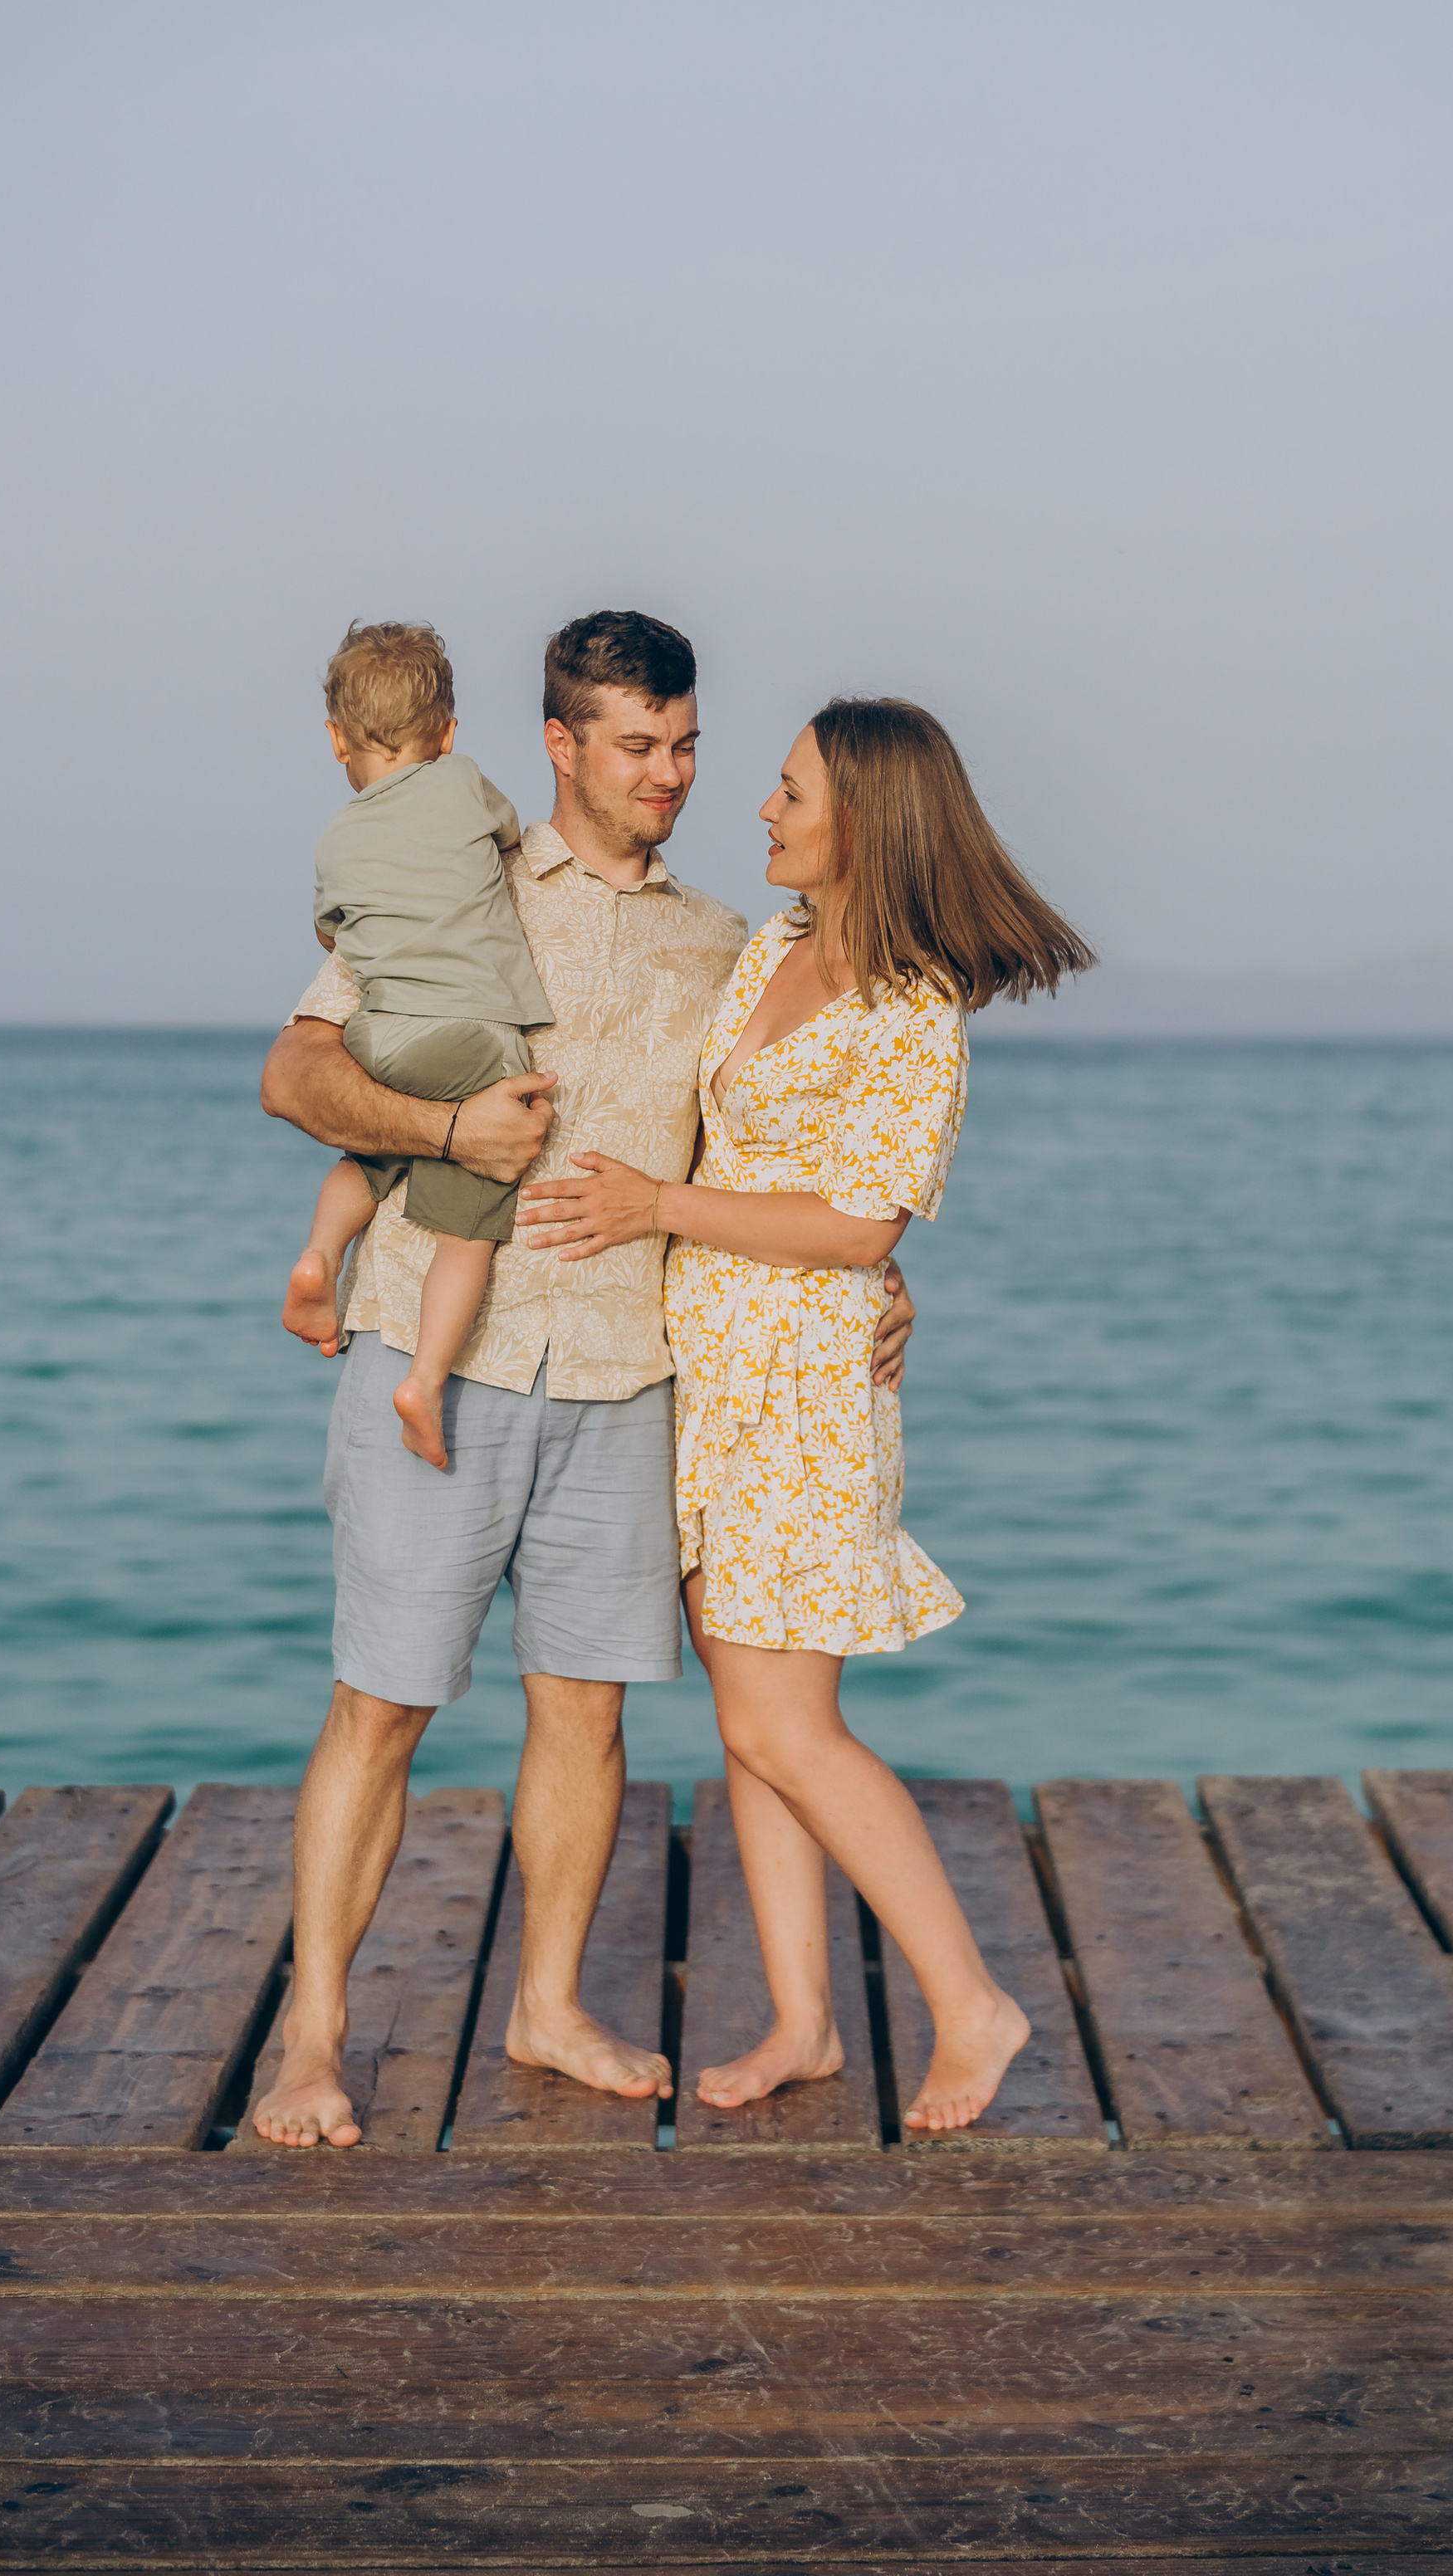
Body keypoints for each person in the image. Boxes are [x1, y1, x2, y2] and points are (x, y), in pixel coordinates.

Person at [252, 614, 917, 2148]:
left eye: (687, 745)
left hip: (630, 1378)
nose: (671, 776)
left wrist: (884, 1286)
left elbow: (787, 1163)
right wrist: (442, 1138)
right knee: (381, 1707)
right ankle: (314, 2038)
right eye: (637, 746)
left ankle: (547, 2005)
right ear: (560, 745)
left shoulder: (729, 947)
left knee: (587, 1716)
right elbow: (295, 1072)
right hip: (440, 1347)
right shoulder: (456, 887)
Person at [516, 695, 1092, 2134]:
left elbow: (860, 1224)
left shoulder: (913, 1011)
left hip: (805, 1395)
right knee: (752, 1723)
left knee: (794, 1727)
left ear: (867, 822)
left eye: (787, 793)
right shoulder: (773, 949)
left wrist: (659, 1209)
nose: (759, 812)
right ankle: (806, 2025)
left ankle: (973, 2005)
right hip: (706, 1378)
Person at [286, 618, 555, 1472]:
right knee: (470, 1229)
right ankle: (425, 1380)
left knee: (371, 1152)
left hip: (380, 1032)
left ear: (336, 741)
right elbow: (513, 845)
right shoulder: (465, 783)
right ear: (446, 733)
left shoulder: (336, 837)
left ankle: (318, 1255)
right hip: (475, 1032)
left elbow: (333, 932)